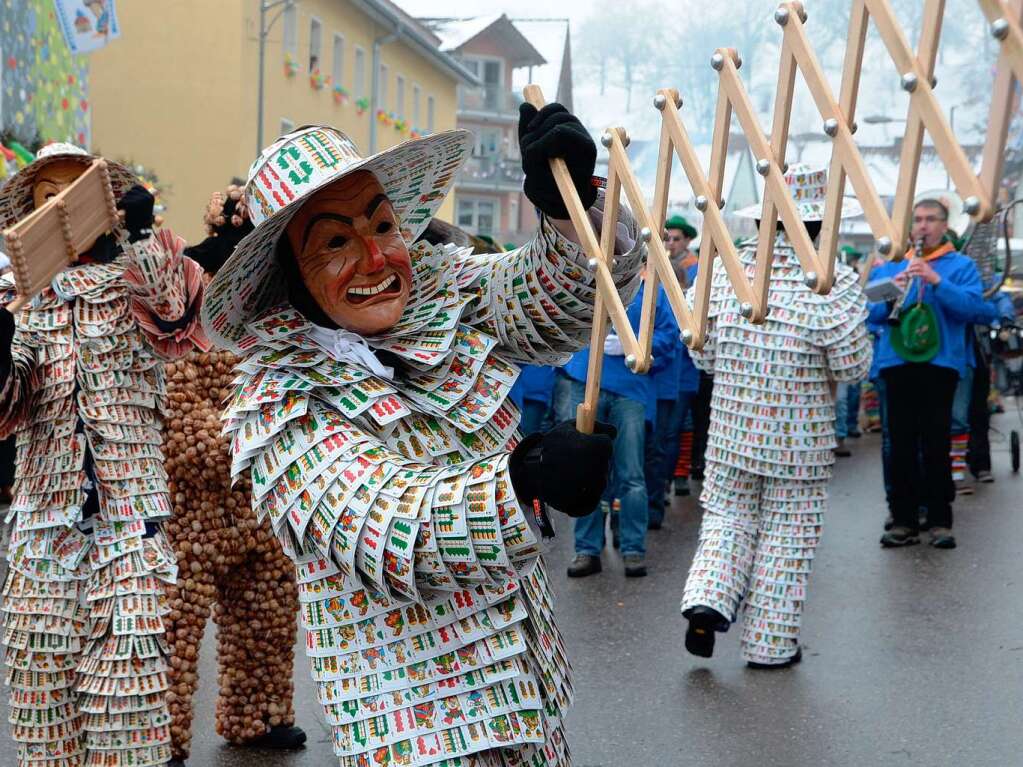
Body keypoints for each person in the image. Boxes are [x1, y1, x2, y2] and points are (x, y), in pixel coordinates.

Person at [199, 104, 643, 766]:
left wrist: (568, 208)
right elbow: (383, 523)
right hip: (412, 730)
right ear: (291, 275)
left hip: (525, 694)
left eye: (382, 225)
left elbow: (559, 297)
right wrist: (521, 478)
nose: (376, 256)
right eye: (336, 242)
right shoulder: (277, 399)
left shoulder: (444, 291)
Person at [0, 143, 207, 767]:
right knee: (41, 678)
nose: (61, 204)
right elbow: (8, 402)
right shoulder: (22, 298)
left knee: (127, 688)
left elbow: (176, 320)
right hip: (44, 515)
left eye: (74, 190)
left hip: (130, 518)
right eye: (45, 197)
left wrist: (143, 235)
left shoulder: (136, 277)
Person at [680, 163, 872, 668]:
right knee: (789, 537)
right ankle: (770, 644)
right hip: (800, 442)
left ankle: (709, 596)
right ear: (822, 224)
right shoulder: (830, 282)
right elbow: (852, 366)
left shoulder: (727, 274)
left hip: (730, 432)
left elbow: (704, 357)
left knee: (725, 519)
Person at [161, 187, 306, 765]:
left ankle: (261, 714)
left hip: (261, 506)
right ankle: (162, 733)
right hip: (193, 512)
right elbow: (179, 420)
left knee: (265, 618)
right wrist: (254, 434)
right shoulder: (176, 333)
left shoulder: (276, 331)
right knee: (175, 627)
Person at [870, 198, 990, 549]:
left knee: (936, 442)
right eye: (917, 220)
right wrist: (897, 285)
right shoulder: (891, 266)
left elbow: (975, 310)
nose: (922, 226)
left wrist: (937, 280)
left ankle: (939, 520)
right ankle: (904, 520)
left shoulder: (962, 266)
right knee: (900, 445)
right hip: (896, 363)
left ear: (943, 224)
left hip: (940, 364)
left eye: (930, 220)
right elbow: (869, 313)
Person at [562, 280, 677, 577]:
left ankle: (633, 549)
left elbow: (669, 335)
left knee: (631, 474)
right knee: (585, 471)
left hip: (630, 390)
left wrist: (634, 343)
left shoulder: (650, 289)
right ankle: (587, 549)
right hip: (586, 384)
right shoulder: (589, 279)